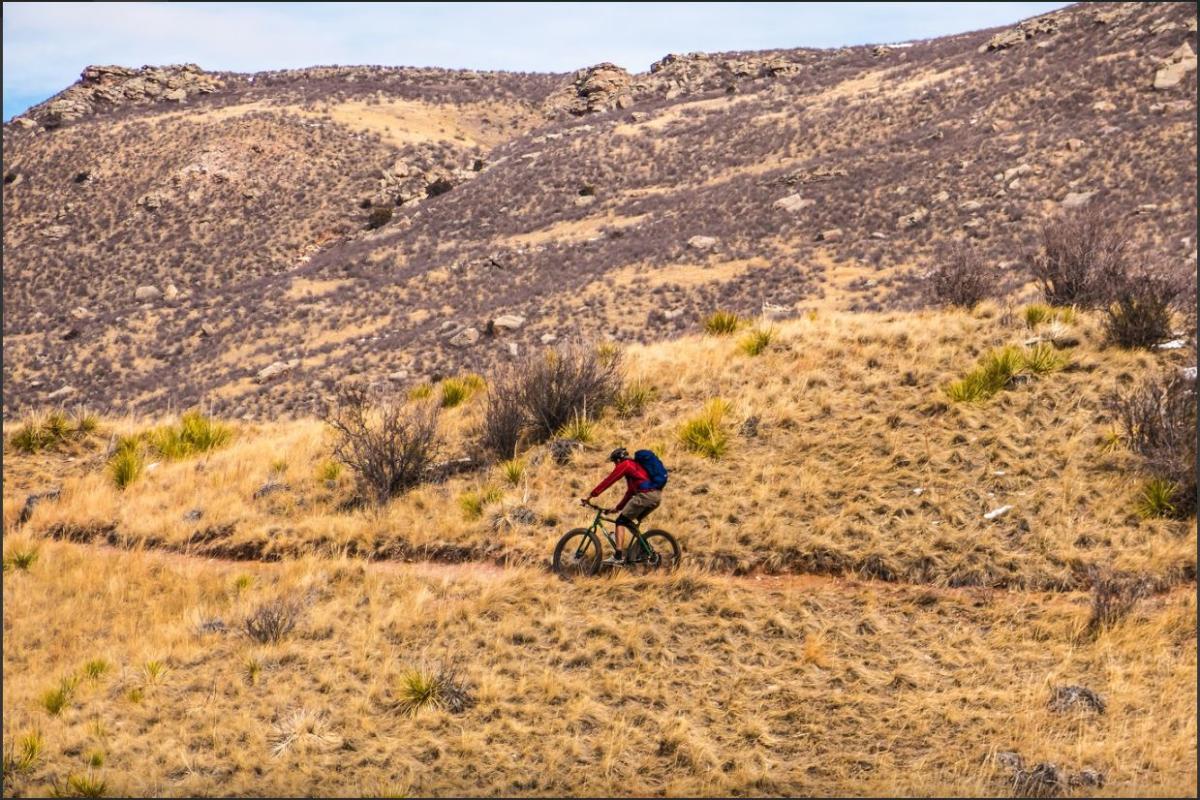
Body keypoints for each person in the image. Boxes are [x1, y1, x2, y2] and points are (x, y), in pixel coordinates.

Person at [580, 447, 662, 564]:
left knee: (620, 522)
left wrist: (591, 495)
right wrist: (617, 508)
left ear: (618, 460)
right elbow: (630, 492)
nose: (614, 465)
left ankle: (618, 556)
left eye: (614, 462)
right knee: (627, 521)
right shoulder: (634, 467)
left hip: (646, 496)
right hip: (656, 497)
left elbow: (609, 480)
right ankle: (645, 549)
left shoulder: (626, 464)